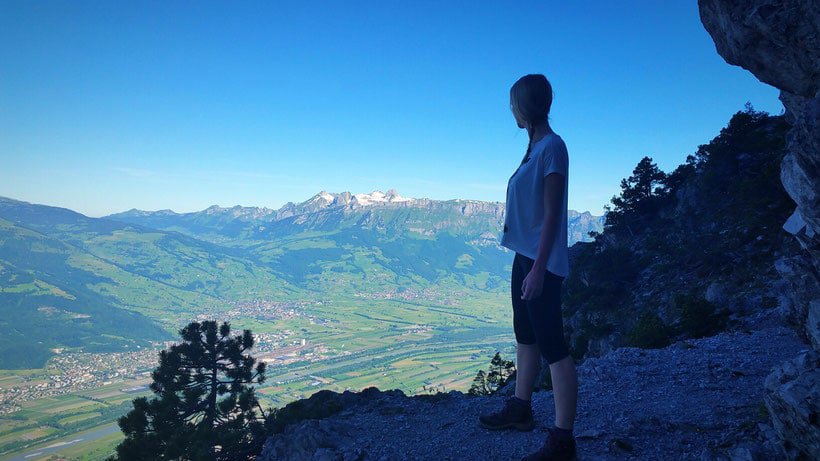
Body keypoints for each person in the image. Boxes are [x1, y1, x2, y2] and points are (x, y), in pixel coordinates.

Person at [478, 74, 579, 461]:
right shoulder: (534, 147)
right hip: (525, 257)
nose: (511, 111)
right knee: (525, 335)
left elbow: (554, 214)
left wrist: (538, 269)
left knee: (554, 346)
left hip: (542, 262)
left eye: (513, 104)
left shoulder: (552, 147)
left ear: (526, 107)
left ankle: (563, 441)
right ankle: (521, 409)